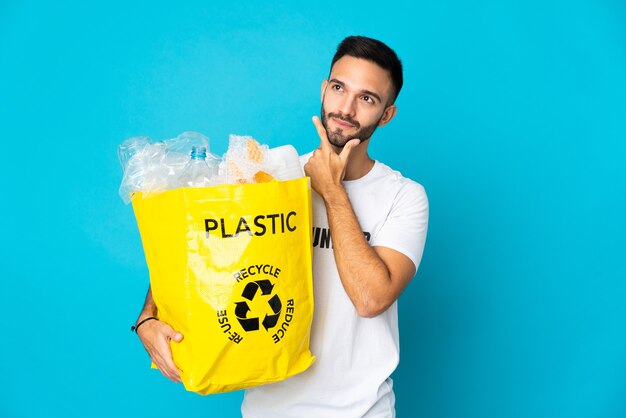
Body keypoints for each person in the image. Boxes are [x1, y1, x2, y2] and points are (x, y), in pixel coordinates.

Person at [134, 35, 429, 417]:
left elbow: (370, 298)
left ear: (386, 114)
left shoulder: (404, 196)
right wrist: (147, 317)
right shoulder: (270, 177)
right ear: (324, 89)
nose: (346, 108)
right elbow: (199, 253)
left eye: (367, 98)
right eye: (338, 88)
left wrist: (332, 192)